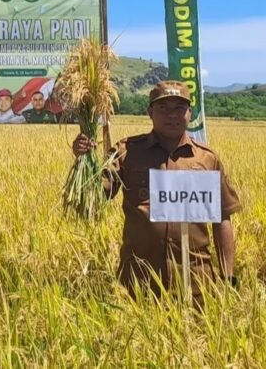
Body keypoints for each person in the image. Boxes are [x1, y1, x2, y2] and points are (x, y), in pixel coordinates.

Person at [73, 80, 240, 304]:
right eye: (163, 108)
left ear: (190, 113)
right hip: (139, 282)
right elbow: (94, 198)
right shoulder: (127, 152)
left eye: (179, 108)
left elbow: (222, 219)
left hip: (197, 283)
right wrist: (84, 160)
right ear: (150, 112)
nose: (172, 115)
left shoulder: (206, 159)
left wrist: (228, 277)